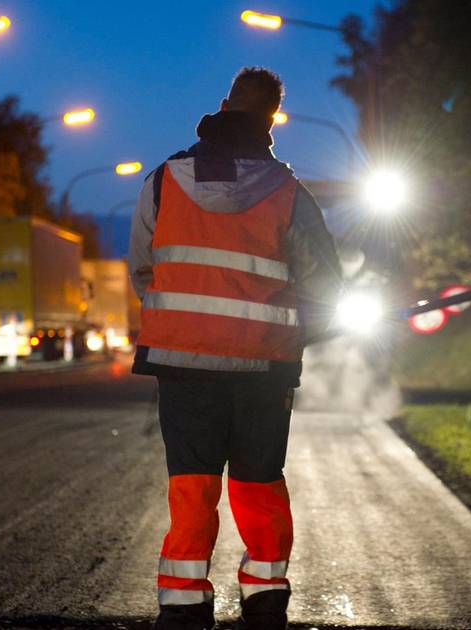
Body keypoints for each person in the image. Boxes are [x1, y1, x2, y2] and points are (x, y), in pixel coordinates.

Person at [128, 67, 342, 630]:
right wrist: (297, 330)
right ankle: (264, 603)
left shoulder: (164, 180)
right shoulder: (289, 194)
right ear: (272, 120)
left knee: (192, 484)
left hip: (183, 363)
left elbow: (145, 270)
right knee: (258, 483)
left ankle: (183, 606)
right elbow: (326, 285)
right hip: (263, 368)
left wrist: (188, 320)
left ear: (223, 106)